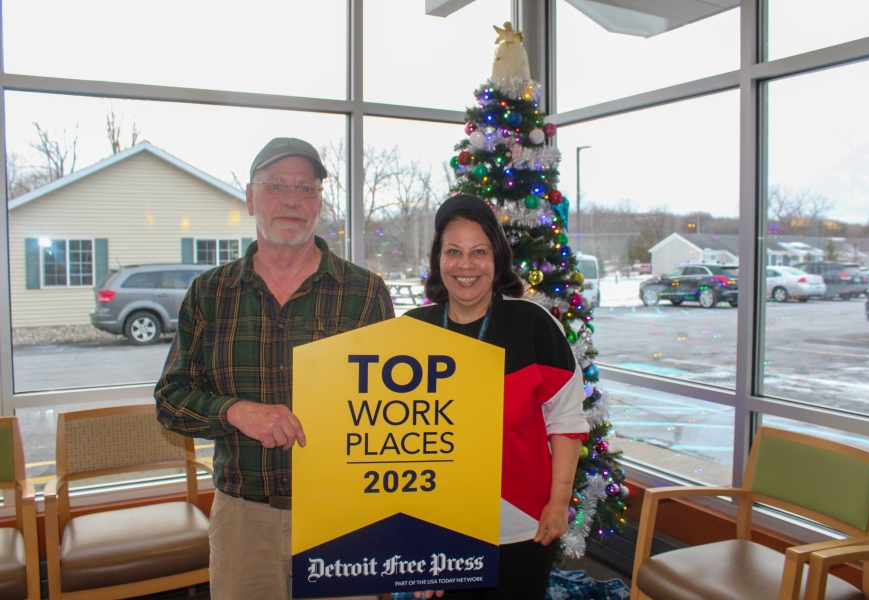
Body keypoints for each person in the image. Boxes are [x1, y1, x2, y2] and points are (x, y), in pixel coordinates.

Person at [155, 137, 394, 600]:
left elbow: (395, 412)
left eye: (306, 189)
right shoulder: (211, 293)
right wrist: (234, 412)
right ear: (250, 197)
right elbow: (170, 400)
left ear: (320, 204)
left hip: (341, 515)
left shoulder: (365, 293)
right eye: (277, 185)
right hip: (245, 520)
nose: (291, 200)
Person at [405, 194, 589, 600]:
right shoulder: (411, 333)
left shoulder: (533, 324)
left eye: (479, 252)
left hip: (523, 526)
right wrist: (414, 537)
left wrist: (558, 504)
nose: (466, 265)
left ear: (498, 258)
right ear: (438, 259)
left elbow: (567, 420)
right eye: (453, 251)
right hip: (441, 528)